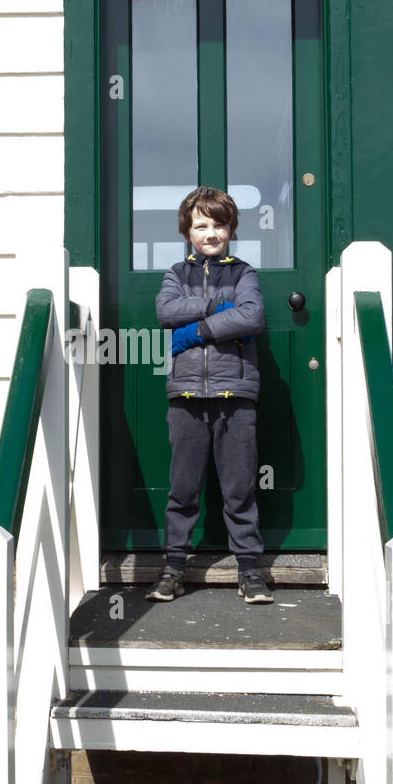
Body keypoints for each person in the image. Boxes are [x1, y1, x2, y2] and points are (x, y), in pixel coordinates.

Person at [146, 186, 272, 604]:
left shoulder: (245, 273)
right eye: (201, 225)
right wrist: (220, 306)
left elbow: (252, 315)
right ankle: (174, 566)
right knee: (182, 488)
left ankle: (250, 570)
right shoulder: (174, 274)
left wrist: (197, 327)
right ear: (188, 233)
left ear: (231, 229)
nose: (211, 232)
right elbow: (166, 312)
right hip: (185, 396)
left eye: (219, 224)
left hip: (235, 393)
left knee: (240, 487)